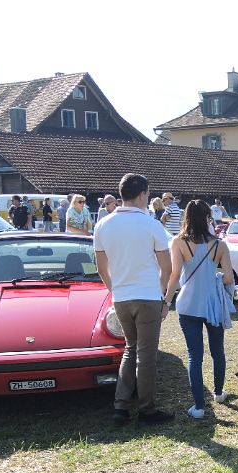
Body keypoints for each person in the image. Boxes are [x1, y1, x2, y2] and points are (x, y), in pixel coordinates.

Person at [94, 173, 174, 425]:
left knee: (130, 349)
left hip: (121, 297)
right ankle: (146, 410)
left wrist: (115, 289)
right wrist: (161, 295)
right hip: (147, 296)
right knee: (146, 355)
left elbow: (101, 268)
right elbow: (167, 268)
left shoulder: (102, 225)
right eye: (147, 194)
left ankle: (121, 406)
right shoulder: (151, 224)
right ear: (142, 195)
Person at [163, 200, 234, 420]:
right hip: (213, 304)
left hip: (188, 304)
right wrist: (215, 275)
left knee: (195, 355)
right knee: (217, 351)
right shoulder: (220, 245)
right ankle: (219, 393)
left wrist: (166, 302)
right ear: (207, 217)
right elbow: (229, 278)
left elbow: (175, 275)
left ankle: (199, 406)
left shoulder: (178, 242)